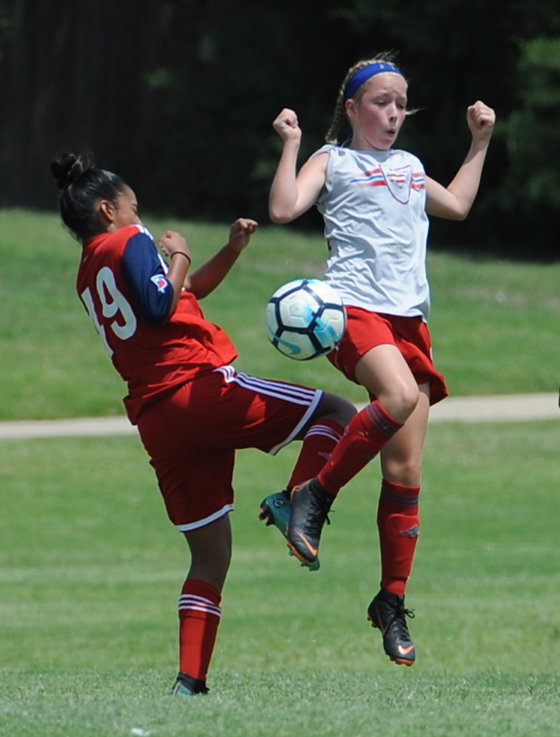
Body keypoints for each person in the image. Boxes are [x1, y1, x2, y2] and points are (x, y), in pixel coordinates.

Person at [50, 152, 356, 695]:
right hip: (197, 388)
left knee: (210, 555)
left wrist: (229, 251)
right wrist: (181, 251)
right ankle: (295, 502)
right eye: (134, 208)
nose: (141, 219)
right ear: (107, 211)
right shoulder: (129, 240)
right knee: (337, 412)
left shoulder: (88, 271)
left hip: (159, 420)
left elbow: (182, 293)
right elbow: (161, 303)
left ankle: (190, 683)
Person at [263, 53, 495, 666]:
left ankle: (391, 600)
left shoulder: (411, 168)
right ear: (352, 108)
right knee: (397, 397)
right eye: (381, 102)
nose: (393, 114)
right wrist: (292, 144)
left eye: (401, 105)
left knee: (405, 470)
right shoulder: (332, 160)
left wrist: (479, 143)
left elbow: (458, 206)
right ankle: (312, 496)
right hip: (353, 310)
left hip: (410, 322)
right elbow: (283, 208)